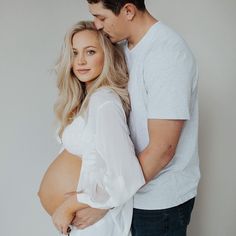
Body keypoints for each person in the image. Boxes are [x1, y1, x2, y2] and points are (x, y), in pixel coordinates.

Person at [72, 1, 200, 235]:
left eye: (101, 17)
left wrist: (105, 202)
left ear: (128, 11)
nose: (97, 25)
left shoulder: (166, 54)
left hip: (158, 203)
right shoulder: (121, 48)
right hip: (130, 195)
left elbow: (163, 149)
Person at [38, 20, 145, 236]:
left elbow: (125, 174)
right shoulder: (87, 99)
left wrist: (72, 204)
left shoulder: (104, 101)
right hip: (83, 225)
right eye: (75, 53)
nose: (80, 61)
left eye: (90, 52)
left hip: (95, 224)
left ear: (106, 55)